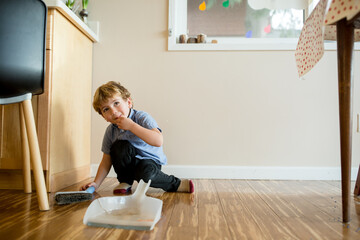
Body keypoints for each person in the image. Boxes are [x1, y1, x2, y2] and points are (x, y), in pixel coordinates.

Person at [81, 81, 194, 194]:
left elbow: (158, 141)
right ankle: (125, 181)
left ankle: (176, 184)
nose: (113, 111)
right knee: (118, 146)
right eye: (106, 109)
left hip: (149, 162)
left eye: (116, 103)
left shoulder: (141, 118)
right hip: (129, 165)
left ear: (129, 102)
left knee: (146, 174)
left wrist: (131, 126)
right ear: (104, 117)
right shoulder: (111, 131)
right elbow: (106, 160)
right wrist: (96, 183)